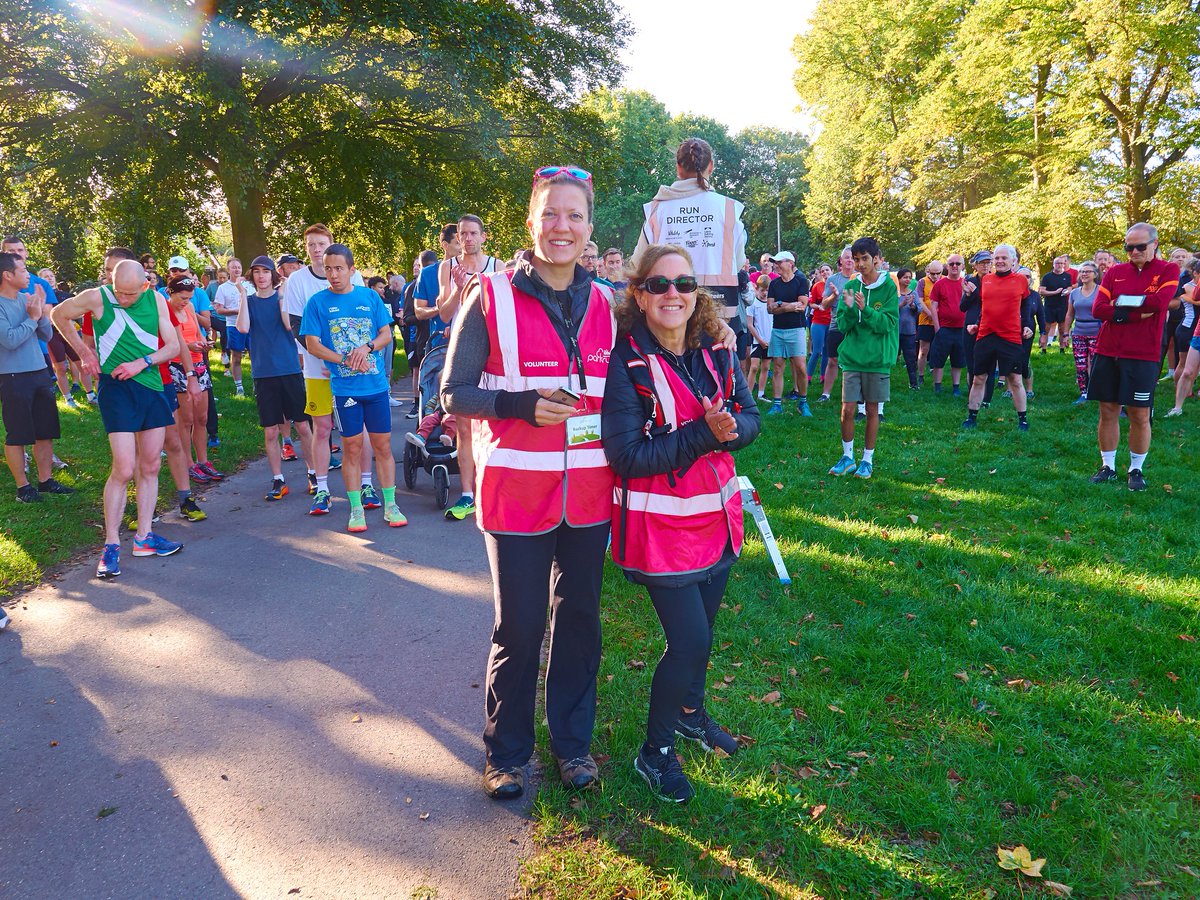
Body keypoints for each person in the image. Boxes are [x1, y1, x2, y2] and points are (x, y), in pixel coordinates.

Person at [440, 165, 619, 801]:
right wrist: (519, 404)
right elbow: (453, 392)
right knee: (518, 628)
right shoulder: (488, 295)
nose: (561, 226)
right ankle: (507, 753)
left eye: (574, 215)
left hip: (590, 495)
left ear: (589, 226)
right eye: (550, 214)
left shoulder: (608, 304)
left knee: (579, 622)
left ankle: (572, 747)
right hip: (515, 493)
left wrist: (719, 327)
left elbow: (670, 338)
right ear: (531, 222)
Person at [602, 243, 760, 804]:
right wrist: (703, 435)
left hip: (716, 518)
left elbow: (750, 417)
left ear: (698, 294)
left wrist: (731, 432)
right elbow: (626, 457)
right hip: (661, 530)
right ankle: (655, 751)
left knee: (703, 633)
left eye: (685, 284)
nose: (674, 294)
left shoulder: (716, 348)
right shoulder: (625, 363)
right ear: (639, 295)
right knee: (689, 639)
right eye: (660, 285)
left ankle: (691, 714)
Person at [50, 260, 183, 577]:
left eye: (129, 294)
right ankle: (110, 545)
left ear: (145, 286)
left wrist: (142, 362)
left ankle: (144, 537)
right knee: (123, 468)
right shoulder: (98, 297)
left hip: (151, 386)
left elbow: (173, 346)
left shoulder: (156, 300)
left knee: (150, 464)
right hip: (116, 388)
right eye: (118, 291)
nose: (121, 298)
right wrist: (84, 351)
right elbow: (58, 314)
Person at [300, 243, 406, 532]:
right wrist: (344, 359)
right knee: (352, 448)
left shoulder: (369, 296)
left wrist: (366, 347)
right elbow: (312, 345)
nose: (333, 274)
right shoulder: (317, 303)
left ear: (352, 269)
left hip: (376, 386)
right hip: (345, 390)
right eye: (328, 269)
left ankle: (391, 505)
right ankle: (356, 508)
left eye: (339, 268)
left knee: (383, 446)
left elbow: (385, 334)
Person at [636, 137, 750, 372]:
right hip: (718, 319)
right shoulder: (727, 209)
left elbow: (638, 264)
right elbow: (738, 262)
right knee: (717, 385)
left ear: (678, 167)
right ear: (711, 166)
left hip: (668, 315)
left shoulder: (658, 210)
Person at [1088, 223, 1180, 490]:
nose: (1134, 252)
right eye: (1129, 247)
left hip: (1143, 354)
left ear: (1155, 244)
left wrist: (1119, 305)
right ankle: (1108, 466)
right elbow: (1098, 309)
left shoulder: (1168, 270)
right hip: (1108, 350)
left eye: (1140, 246)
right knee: (1108, 410)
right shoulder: (1115, 272)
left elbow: (1159, 303)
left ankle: (1136, 469)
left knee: (1139, 414)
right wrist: (1133, 310)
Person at [284, 223, 367, 509]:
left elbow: (364, 322)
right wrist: (324, 357)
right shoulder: (297, 281)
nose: (316, 250)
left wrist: (353, 357)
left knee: (358, 428)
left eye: (321, 244)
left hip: (353, 368)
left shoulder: (355, 276)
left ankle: (366, 484)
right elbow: (296, 325)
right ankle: (321, 488)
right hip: (316, 369)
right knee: (321, 428)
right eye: (311, 245)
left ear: (331, 244)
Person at [436, 214, 500, 522]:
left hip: (492, 354)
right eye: (463, 234)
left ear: (483, 236)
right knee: (463, 426)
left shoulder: (497, 267)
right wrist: (457, 289)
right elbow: (444, 314)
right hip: (461, 354)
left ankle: (492, 487)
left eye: (474, 233)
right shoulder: (447, 267)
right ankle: (467, 494)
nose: (468, 239)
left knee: (493, 423)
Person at [236, 256, 315, 498]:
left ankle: (314, 473)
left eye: (265, 271)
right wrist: (242, 295)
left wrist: (282, 295)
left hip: (289, 369)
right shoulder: (249, 301)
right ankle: (278, 479)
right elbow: (243, 328)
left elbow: (288, 325)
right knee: (270, 431)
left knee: (302, 425)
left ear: (273, 274)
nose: (261, 276)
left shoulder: (283, 297)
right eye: (256, 272)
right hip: (264, 372)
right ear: (251, 276)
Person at [0, 252, 74, 502]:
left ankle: (45, 481)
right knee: (18, 434)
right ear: (7, 275)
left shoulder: (27, 299)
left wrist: (41, 313)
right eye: (22, 270)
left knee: (45, 430)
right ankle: (23, 488)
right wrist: (33, 318)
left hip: (39, 372)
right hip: (12, 377)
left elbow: (45, 335)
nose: (28, 275)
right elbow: (10, 340)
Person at [826, 238, 899, 479]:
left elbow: (887, 324)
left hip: (877, 359)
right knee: (847, 409)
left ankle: (867, 459)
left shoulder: (888, 287)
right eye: (856, 259)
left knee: (871, 409)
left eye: (864, 258)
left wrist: (865, 310)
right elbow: (843, 325)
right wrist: (849, 309)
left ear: (876, 259)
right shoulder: (851, 286)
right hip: (853, 358)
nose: (860, 264)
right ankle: (847, 457)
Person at [963, 245, 1034, 431]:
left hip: (1010, 336)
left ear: (1013, 260)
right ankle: (971, 417)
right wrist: (976, 324)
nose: (1000, 261)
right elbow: (983, 306)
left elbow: (1026, 305)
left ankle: (1023, 420)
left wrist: (1027, 324)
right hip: (985, 335)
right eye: (997, 258)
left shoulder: (1020, 280)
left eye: (1004, 258)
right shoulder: (986, 279)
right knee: (979, 378)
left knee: (1015, 379)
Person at [164, 275, 224, 486]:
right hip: (178, 366)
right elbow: (170, 343)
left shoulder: (189, 308)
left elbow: (198, 333)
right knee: (186, 419)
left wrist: (203, 343)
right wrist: (188, 347)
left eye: (189, 298)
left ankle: (203, 461)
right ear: (170, 293)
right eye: (182, 297)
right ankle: (188, 463)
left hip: (199, 364)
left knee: (202, 417)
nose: (186, 302)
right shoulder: (165, 311)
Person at [764, 251, 811, 415]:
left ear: (790, 263)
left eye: (779, 262)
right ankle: (777, 404)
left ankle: (803, 402)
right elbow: (769, 309)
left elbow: (802, 306)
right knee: (777, 367)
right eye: (775, 263)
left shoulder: (801, 281)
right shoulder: (774, 284)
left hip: (797, 329)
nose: (775, 265)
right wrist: (788, 306)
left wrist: (779, 305)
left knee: (801, 368)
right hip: (778, 330)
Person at [818, 248, 856, 403]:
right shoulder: (833, 279)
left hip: (855, 327)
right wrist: (834, 295)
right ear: (841, 260)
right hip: (836, 325)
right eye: (846, 257)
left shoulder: (861, 278)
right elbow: (824, 305)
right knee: (832, 360)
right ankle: (825, 394)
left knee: (854, 361)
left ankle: (852, 394)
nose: (850, 260)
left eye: (852, 257)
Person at [403, 250, 437, 417]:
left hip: (445, 340)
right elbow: (407, 318)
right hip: (424, 341)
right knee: (425, 378)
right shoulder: (413, 287)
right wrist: (426, 313)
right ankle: (420, 409)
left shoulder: (445, 281)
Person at [960, 250, 996, 406]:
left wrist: (975, 292)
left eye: (988, 262)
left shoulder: (995, 280)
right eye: (982, 263)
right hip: (970, 326)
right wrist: (968, 295)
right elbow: (962, 307)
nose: (985, 266)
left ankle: (987, 399)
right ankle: (972, 397)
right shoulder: (970, 281)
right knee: (972, 364)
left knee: (989, 364)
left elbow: (991, 301)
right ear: (975, 265)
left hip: (989, 325)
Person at [1063, 261, 1102, 404]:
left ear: (1095, 275)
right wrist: (1065, 334)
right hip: (1079, 332)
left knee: (1096, 364)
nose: (1084, 274)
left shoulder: (1101, 291)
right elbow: (1069, 314)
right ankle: (1084, 393)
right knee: (1080, 364)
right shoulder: (1074, 293)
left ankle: (1097, 392)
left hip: (1097, 332)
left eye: (1087, 271)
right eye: (1082, 272)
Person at [1165, 259, 1200, 417]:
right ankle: (1177, 407)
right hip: (1194, 331)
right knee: (1187, 370)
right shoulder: (1187, 286)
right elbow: (1196, 297)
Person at [928, 253, 967, 394]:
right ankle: (937, 387)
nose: (954, 266)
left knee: (958, 360)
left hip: (961, 329)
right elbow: (933, 306)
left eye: (958, 263)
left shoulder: (966, 284)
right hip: (944, 328)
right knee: (939, 359)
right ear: (947, 266)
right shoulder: (940, 284)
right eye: (951, 264)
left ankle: (956, 387)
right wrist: (937, 327)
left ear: (963, 266)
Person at [213, 257, 250, 395]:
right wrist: (236, 311)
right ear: (228, 270)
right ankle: (239, 387)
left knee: (256, 355)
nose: (237, 269)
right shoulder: (223, 288)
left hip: (252, 325)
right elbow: (219, 310)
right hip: (233, 326)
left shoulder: (249, 285)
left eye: (239, 267)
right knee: (237, 356)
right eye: (233, 267)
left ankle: (257, 385)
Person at [914, 260, 943, 385]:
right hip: (925, 321)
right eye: (932, 273)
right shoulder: (922, 282)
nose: (935, 276)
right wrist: (930, 314)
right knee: (924, 349)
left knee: (938, 350)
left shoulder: (944, 281)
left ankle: (937, 379)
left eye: (938, 273)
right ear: (928, 271)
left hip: (941, 322)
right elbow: (919, 300)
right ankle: (920, 375)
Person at [746, 274, 773, 400]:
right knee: (754, 367)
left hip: (770, 340)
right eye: (762, 290)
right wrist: (760, 340)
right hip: (757, 341)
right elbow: (750, 325)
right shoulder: (753, 304)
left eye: (767, 290)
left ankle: (761, 393)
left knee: (766, 366)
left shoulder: (771, 303)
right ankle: (748, 395)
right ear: (757, 289)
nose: (765, 293)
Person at [1039, 256, 1073, 352]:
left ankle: (1062, 349)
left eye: (1061, 263)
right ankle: (1043, 349)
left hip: (1062, 305)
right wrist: (1055, 292)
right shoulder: (1047, 277)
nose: (1059, 265)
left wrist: (1067, 291)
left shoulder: (1067, 276)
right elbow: (1041, 291)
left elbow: (1069, 287)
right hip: (1049, 306)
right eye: (1057, 263)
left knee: (1062, 328)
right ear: (1053, 264)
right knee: (1046, 328)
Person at [807, 263, 832, 381]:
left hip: (831, 322)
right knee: (816, 351)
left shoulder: (835, 286)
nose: (825, 272)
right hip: (818, 322)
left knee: (827, 352)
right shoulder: (817, 286)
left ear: (832, 271)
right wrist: (818, 307)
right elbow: (811, 303)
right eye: (822, 271)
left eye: (827, 270)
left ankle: (823, 377)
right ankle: (808, 378)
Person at [896, 268, 919, 388]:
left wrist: (913, 306)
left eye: (910, 277)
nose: (908, 280)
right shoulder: (894, 293)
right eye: (905, 277)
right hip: (895, 331)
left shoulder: (913, 293)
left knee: (910, 358)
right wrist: (901, 305)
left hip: (909, 331)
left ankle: (913, 384)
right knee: (890, 357)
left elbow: (919, 310)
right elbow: (889, 310)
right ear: (899, 279)